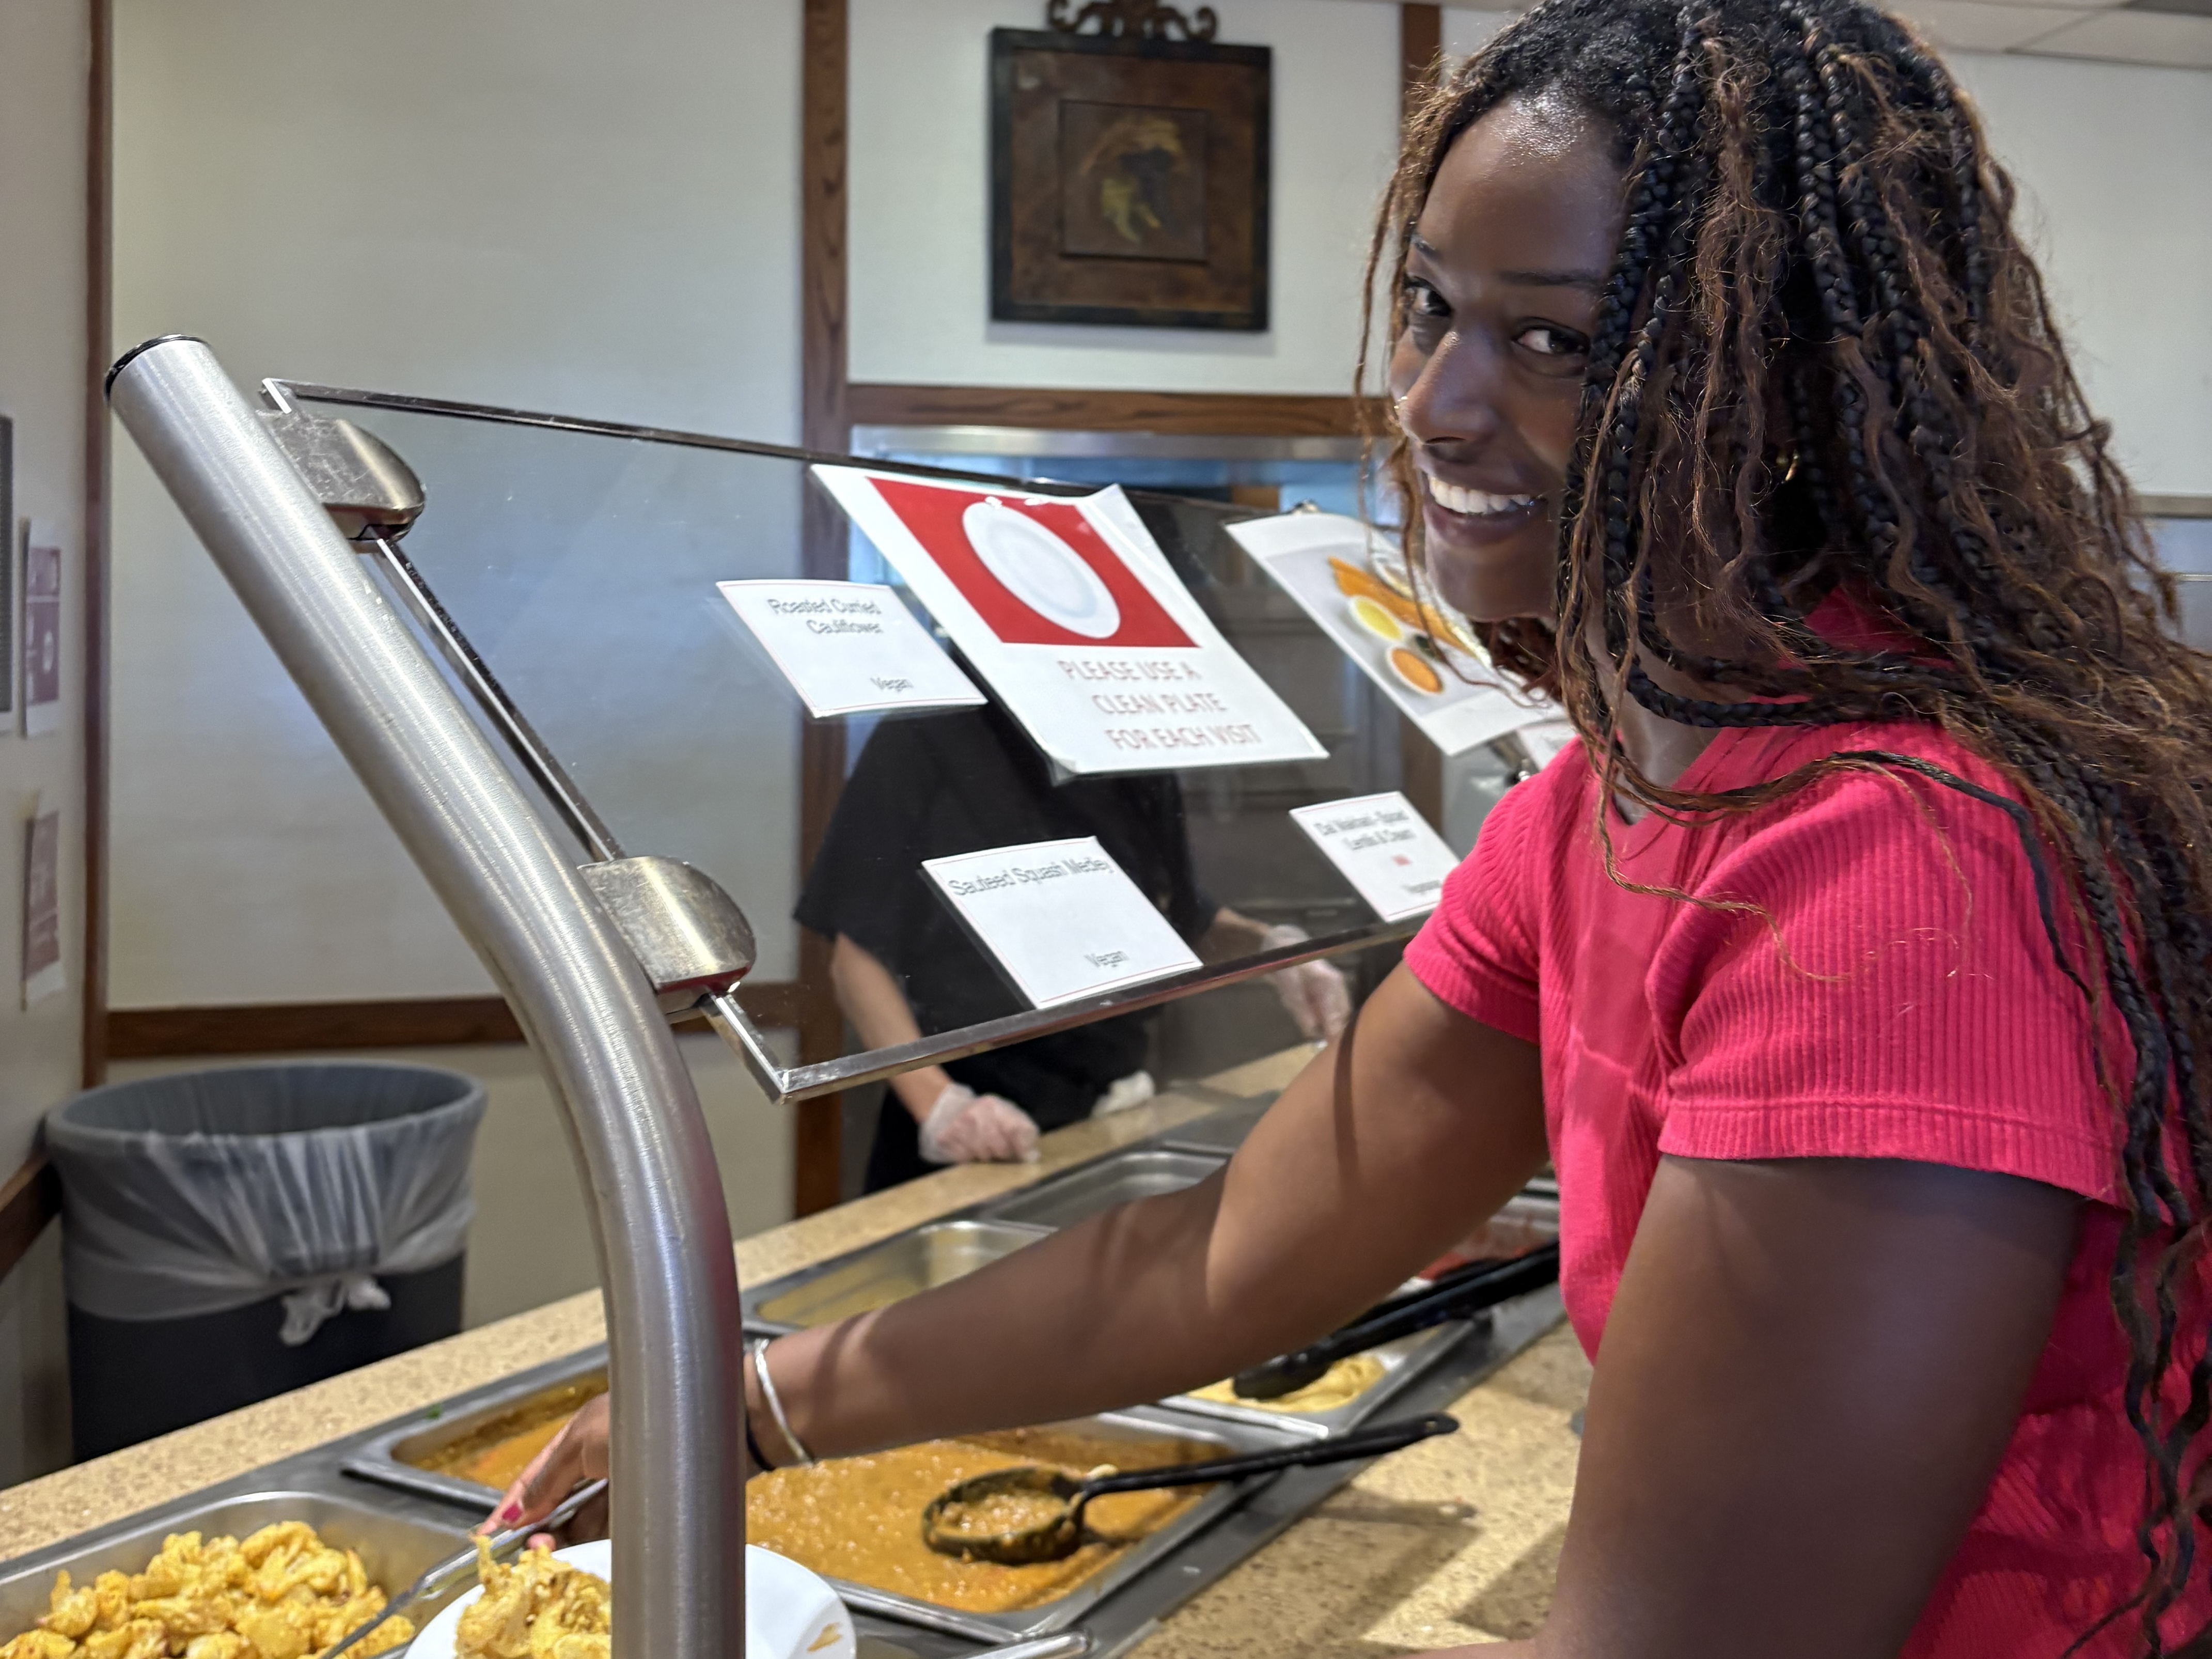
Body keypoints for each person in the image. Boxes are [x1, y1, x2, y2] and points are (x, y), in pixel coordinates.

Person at [497, 5, 2212, 1653]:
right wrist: (753, 1401)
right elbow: (1232, 1251)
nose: (1440, 403)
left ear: (1780, 390)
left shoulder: (1890, 871)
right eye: (1429, 309)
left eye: (1553, 338)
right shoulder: (1592, 813)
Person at [796, 698, 1352, 1188]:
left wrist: (1278, 952)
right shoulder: (926, 732)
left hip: (1111, 1108)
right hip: (974, 1118)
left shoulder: (1129, 747)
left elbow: (1178, 918)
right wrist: (938, 1103)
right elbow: (855, 956)